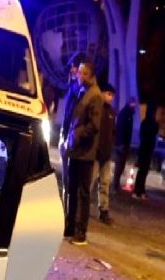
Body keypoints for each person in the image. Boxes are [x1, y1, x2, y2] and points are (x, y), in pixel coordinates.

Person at [63, 62, 102, 245]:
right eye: (78, 72)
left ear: (88, 74)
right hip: (75, 149)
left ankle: (81, 232)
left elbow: (94, 125)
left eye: (80, 72)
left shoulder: (95, 95)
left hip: (85, 152)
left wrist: (77, 134)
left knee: (83, 192)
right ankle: (69, 226)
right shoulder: (80, 90)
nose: (77, 74)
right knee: (71, 189)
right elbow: (71, 113)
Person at [57, 53, 88, 213]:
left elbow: (74, 116)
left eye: (73, 67)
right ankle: (65, 210)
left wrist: (68, 137)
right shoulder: (73, 87)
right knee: (66, 179)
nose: (71, 70)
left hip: (71, 138)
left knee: (69, 181)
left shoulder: (80, 90)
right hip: (66, 135)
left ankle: (68, 213)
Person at [93, 84, 116, 225]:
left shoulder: (112, 112)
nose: (110, 97)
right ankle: (79, 209)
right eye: (108, 93)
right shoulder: (97, 109)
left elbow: (112, 133)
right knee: (89, 182)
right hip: (95, 154)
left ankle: (104, 211)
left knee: (105, 183)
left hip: (106, 156)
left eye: (112, 95)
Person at [133, 108, 158, 200]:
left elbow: (141, 135)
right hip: (147, 150)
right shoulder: (154, 124)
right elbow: (154, 135)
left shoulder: (144, 122)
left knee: (142, 171)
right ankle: (139, 190)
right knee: (143, 172)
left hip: (143, 149)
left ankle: (139, 190)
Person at [112, 96, 136, 191]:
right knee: (119, 165)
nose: (135, 105)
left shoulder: (128, 113)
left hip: (122, 143)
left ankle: (116, 185)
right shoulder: (126, 113)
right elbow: (122, 129)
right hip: (121, 144)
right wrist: (122, 143)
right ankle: (114, 186)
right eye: (133, 103)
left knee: (120, 165)